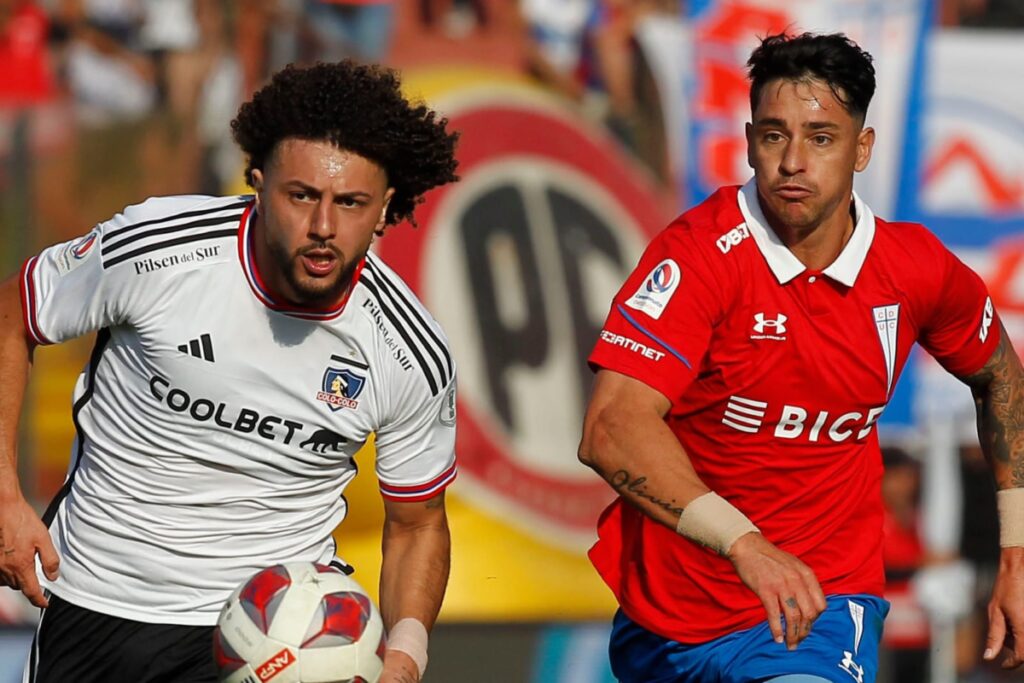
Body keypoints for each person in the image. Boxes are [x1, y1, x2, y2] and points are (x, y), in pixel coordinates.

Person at [578, 31, 1024, 682]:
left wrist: (1016, 549)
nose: (792, 161)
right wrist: (746, 545)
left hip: (823, 604)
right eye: (773, 135)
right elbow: (612, 427)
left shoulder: (914, 269)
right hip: (670, 618)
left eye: (820, 137)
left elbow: (1000, 376)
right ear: (750, 138)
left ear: (862, 148)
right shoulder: (699, 254)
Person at [0, 59, 459, 683]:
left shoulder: (409, 351)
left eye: (350, 203)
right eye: (302, 196)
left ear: (384, 211)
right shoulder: (159, 251)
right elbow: (11, 316)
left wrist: (406, 655)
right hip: (99, 603)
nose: (323, 227)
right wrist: (2, 493)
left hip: (280, 641)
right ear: (258, 182)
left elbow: (417, 525)